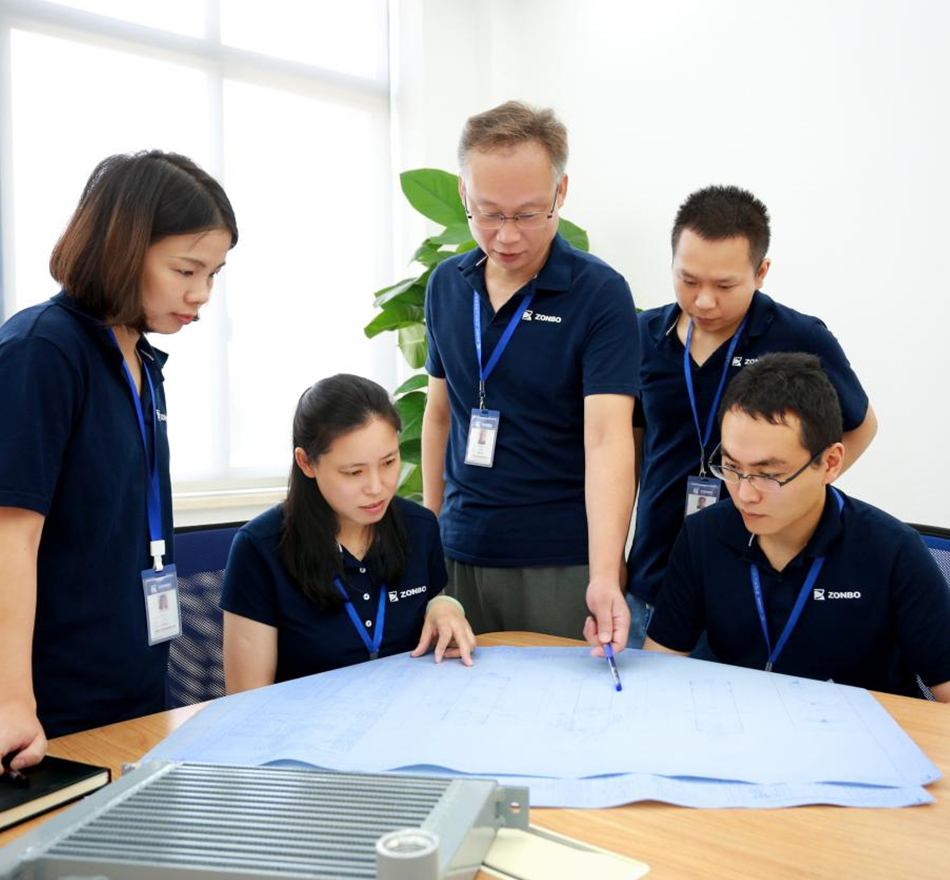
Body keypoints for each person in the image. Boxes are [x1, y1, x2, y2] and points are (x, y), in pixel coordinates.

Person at [0, 151, 237, 772]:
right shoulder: (42, 351)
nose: (201, 294)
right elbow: (10, 540)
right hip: (48, 699)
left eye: (213, 274)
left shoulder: (143, 361)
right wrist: (11, 701)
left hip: (132, 681)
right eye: (186, 270)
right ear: (123, 248)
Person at [421, 100, 639, 652]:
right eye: (489, 214)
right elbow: (440, 415)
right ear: (464, 193)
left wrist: (605, 572)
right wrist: (428, 538)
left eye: (528, 214)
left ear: (560, 193)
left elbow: (607, 438)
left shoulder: (599, 293)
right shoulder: (446, 285)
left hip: (558, 561)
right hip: (459, 551)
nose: (507, 236)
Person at [626, 185, 878, 645]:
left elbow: (860, 426)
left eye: (724, 286)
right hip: (654, 573)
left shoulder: (799, 338)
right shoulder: (643, 336)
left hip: (748, 587)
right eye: (688, 280)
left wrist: (795, 490)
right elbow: (628, 453)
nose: (704, 301)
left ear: (761, 272)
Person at [642, 353, 950, 700]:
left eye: (769, 475)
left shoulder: (893, 552)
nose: (744, 495)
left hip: (867, 728)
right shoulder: (702, 536)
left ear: (830, 463)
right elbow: (660, 669)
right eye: (731, 467)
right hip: (748, 721)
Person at [221, 374, 475, 692]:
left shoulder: (419, 527)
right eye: (354, 472)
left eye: (389, 462)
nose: (376, 487)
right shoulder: (260, 549)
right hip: (305, 721)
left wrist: (444, 607)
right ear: (306, 462)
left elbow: (431, 619)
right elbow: (247, 698)